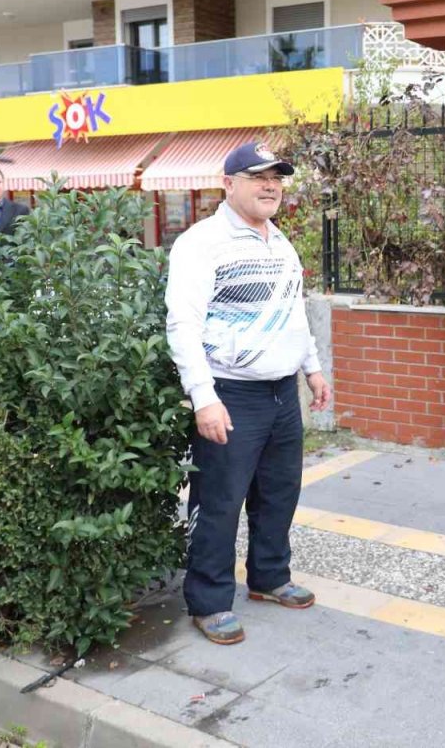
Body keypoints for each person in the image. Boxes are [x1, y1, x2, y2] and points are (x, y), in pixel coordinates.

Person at [165, 141, 330, 645]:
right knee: (219, 501)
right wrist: (203, 397)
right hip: (231, 395)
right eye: (257, 176)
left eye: (276, 177)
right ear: (228, 183)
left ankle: (269, 577)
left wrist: (313, 369)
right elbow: (182, 324)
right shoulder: (200, 243)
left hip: (282, 394)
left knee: (279, 494)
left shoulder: (279, 242)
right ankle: (210, 601)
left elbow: (294, 311)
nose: (270, 185)